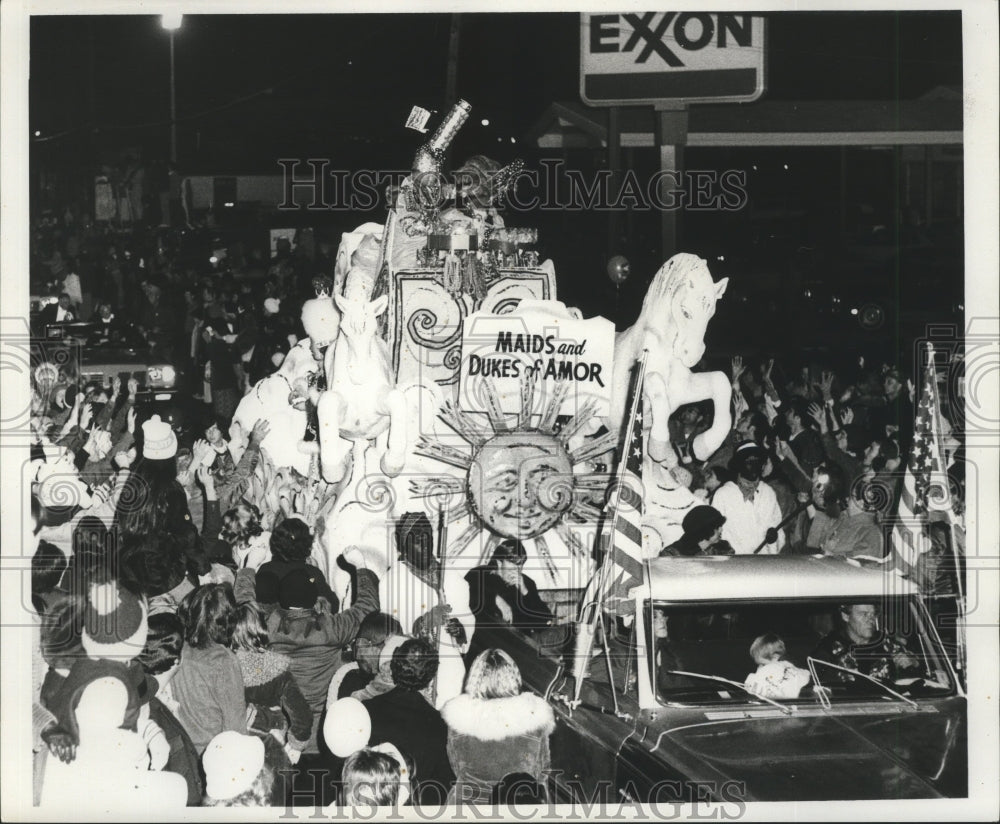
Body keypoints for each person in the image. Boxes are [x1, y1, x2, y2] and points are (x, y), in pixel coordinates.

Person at [440, 648, 555, 805]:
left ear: (474, 678)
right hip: (517, 807)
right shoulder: (536, 716)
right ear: (514, 676)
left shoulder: (459, 717)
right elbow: (542, 771)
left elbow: (455, 767)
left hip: (466, 807)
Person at [362, 638, 455, 806]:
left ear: (394, 667)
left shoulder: (367, 709)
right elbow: (442, 785)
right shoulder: (439, 725)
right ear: (431, 677)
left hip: (369, 803)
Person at [172, 583, 247, 753]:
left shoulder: (179, 647)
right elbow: (235, 727)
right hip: (214, 752)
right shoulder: (223, 660)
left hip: (184, 749)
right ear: (229, 619)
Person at [230, 601, 312, 756]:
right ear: (262, 627)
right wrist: (295, 746)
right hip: (271, 741)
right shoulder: (277, 668)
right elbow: (302, 714)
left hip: (236, 743)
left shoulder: (224, 667)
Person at [464, 539, 553, 656]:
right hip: (485, 645)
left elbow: (544, 622)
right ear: (499, 562)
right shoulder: (479, 574)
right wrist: (495, 598)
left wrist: (525, 592)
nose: (517, 569)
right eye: (512, 564)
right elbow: (467, 598)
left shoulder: (527, 583)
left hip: (521, 645)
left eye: (520, 564)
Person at [810, 603, 921, 686]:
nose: (870, 620)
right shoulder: (828, 649)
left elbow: (918, 676)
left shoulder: (885, 642)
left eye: (873, 614)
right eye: (864, 614)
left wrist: (914, 662)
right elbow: (821, 691)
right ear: (846, 616)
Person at [711, 441, 784, 554]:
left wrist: (774, 540)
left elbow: (777, 526)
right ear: (738, 465)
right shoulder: (723, 494)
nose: (754, 466)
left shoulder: (768, 493)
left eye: (758, 461)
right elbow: (715, 534)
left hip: (764, 564)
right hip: (735, 564)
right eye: (749, 461)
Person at [743, 633, 811, 699]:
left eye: (763, 664)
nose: (760, 668)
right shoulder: (792, 667)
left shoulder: (771, 669)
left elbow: (754, 684)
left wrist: (751, 681)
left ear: (775, 657)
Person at [660, 505, 734, 557]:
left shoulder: (723, 548)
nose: (721, 530)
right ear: (705, 531)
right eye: (717, 527)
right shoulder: (671, 554)